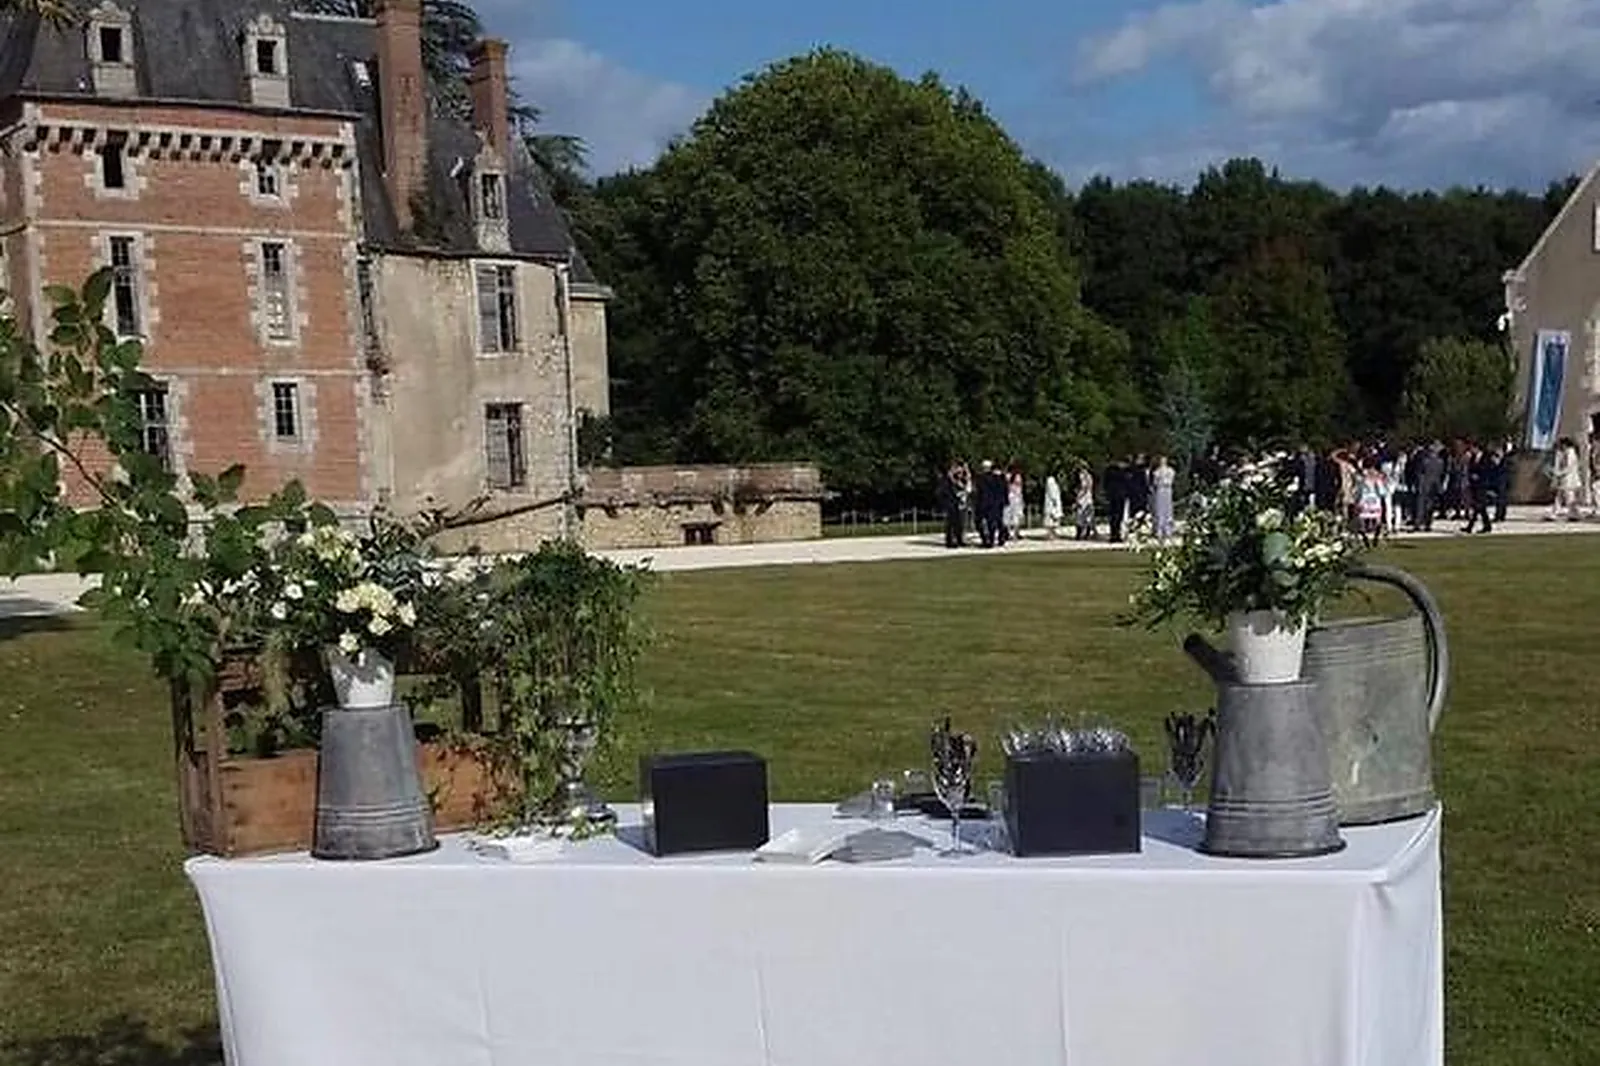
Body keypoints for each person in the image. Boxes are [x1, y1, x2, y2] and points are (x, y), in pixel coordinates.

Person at [1550, 437, 1582, 520]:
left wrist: (1560, 473)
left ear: (1565, 444)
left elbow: (1569, 467)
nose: (1560, 446)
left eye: (1561, 444)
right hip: (1565, 478)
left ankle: (1574, 514)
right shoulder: (1562, 453)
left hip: (1569, 478)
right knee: (1560, 495)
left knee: (1569, 497)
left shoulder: (1570, 452)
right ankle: (1556, 512)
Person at [1151, 455, 1177, 541]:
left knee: (1168, 509)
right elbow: (1155, 482)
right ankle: (1159, 529)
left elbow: (1170, 481)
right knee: (1159, 509)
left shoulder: (1170, 471)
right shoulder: (1157, 472)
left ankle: (1168, 529)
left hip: (1167, 490)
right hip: (1160, 490)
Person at [1074, 465, 1097, 540]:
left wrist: (1078, 497)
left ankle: (1083, 533)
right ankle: (1084, 533)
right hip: (1087, 498)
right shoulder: (1088, 477)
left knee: (1082, 516)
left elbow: (1085, 488)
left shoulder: (1085, 476)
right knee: (1085, 516)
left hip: (1084, 499)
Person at [1003, 464, 1025, 544]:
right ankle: (1015, 534)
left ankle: (1008, 533)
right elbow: (1020, 488)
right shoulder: (1017, 476)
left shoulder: (1007, 476)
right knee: (1016, 516)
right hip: (1016, 497)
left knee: (1008, 517)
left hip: (1009, 497)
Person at [1042, 471, 1063, 539]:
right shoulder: (1051, 481)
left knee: (1054, 519)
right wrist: (1055, 503)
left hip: (1054, 503)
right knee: (1051, 519)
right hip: (1052, 504)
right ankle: (1050, 534)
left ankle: (1053, 533)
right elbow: (1052, 493)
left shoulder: (1054, 482)